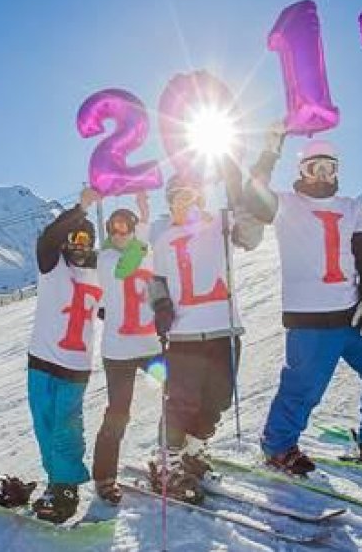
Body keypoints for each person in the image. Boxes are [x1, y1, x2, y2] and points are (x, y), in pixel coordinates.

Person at [244, 128, 362, 474]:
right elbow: (251, 199)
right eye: (315, 168)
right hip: (310, 319)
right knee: (302, 389)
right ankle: (278, 446)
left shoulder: (351, 206)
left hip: (353, 313)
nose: (323, 175)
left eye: (330, 168)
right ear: (302, 172)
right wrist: (269, 152)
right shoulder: (285, 204)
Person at [0, 188, 103, 523]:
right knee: (44, 425)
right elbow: (47, 239)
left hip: (76, 365)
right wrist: (80, 209)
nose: (79, 243)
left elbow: (115, 309)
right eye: (74, 237)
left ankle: (67, 486)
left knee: (67, 427)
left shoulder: (100, 273)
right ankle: (56, 481)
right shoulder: (52, 265)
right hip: (41, 360)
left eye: (85, 237)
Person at [146, 165, 255, 504]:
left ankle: (193, 451)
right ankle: (167, 462)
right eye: (178, 198)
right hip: (184, 334)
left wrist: (236, 186)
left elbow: (250, 236)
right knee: (182, 401)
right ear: (169, 203)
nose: (185, 204)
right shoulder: (162, 238)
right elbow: (155, 280)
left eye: (191, 196)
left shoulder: (219, 225)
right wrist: (161, 304)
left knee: (218, 399)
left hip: (224, 328)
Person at [91, 192, 160, 505]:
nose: (119, 233)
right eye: (113, 228)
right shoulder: (106, 258)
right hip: (119, 352)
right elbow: (124, 269)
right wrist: (141, 236)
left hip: (151, 346)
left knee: (175, 397)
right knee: (118, 412)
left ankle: (169, 460)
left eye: (125, 227)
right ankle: (105, 476)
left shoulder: (143, 249)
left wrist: (144, 214)